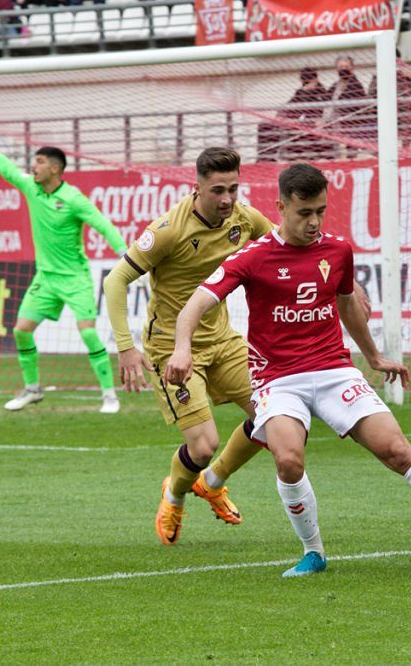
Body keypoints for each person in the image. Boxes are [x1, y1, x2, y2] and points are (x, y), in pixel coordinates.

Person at [165, 163, 411, 578]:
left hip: (334, 370)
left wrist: (373, 356)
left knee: (397, 451)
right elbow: (195, 304)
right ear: (280, 207)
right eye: (304, 213)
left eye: (320, 211)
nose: (314, 222)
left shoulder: (338, 251)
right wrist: (182, 349)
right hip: (277, 380)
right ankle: (313, 552)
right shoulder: (252, 258)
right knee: (289, 461)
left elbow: (348, 305)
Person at [102, 148, 276, 546]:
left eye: (233, 188)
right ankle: (175, 494)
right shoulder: (167, 230)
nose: (228, 199)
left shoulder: (244, 219)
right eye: (218, 190)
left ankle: (213, 483)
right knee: (203, 445)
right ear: (195, 187)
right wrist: (126, 348)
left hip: (224, 341)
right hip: (171, 349)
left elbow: (283, 248)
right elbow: (115, 282)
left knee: (276, 418)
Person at [0, 119, 127, 413]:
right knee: (21, 330)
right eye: (34, 161)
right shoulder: (30, 187)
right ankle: (32, 389)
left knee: (87, 332)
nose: (33, 166)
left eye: (40, 162)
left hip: (76, 278)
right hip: (45, 279)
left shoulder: (73, 199)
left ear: (55, 169)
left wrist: (125, 253)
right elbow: (4, 166)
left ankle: (110, 395)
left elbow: (103, 225)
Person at [259, 67, 334, 161]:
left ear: (315, 80)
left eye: (309, 81)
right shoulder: (300, 93)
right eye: (304, 82)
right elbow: (288, 108)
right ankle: (265, 159)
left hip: (312, 128)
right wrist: (282, 117)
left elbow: (320, 118)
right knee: (265, 125)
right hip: (297, 126)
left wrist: (298, 121)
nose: (306, 85)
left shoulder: (322, 94)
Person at [328, 56, 373, 157]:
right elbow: (325, 97)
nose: (343, 69)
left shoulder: (356, 86)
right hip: (335, 124)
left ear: (352, 68)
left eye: (346, 66)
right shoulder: (335, 85)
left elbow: (354, 108)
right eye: (341, 66)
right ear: (336, 68)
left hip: (351, 126)